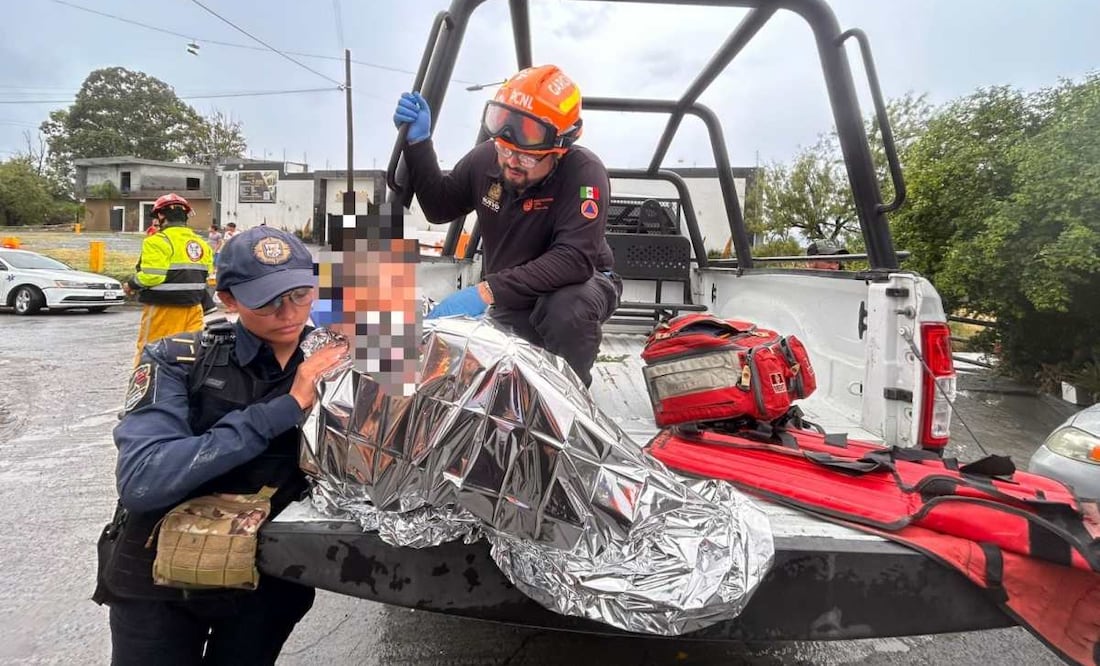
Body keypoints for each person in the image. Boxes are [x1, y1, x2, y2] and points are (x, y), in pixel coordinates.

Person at [94, 226, 349, 665]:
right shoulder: (176, 359)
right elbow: (144, 479)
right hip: (161, 579)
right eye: (268, 300)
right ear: (229, 299)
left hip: (265, 581)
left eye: (301, 294)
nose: (288, 312)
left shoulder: (338, 363)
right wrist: (286, 407)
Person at [392, 64, 620, 386]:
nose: (511, 163)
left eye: (526, 158)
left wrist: (487, 290)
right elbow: (439, 207)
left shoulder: (584, 173)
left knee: (566, 311)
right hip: (513, 290)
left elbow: (574, 259)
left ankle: (570, 401)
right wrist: (418, 145)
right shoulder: (486, 159)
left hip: (581, 283)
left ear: (560, 149)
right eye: (504, 150)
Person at [123, 193, 213, 367]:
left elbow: (152, 275)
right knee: (190, 354)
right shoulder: (201, 243)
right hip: (194, 308)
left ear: (162, 216)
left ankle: (147, 388)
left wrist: (130, 284)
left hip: (163, 309)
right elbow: (205, 274)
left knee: (152, 352)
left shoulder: (157, 241)